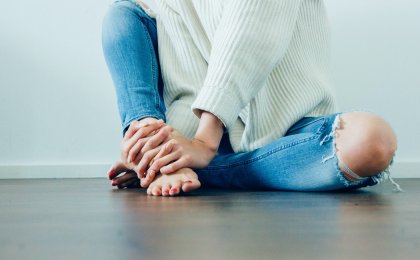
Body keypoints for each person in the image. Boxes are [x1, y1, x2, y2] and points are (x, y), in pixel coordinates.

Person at [101, 0, 399, 196]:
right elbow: (186, 79)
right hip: (194, 135)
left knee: (373, 140)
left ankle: (203, 171)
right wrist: (161, 146)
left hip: (290, 133)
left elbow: (247, 37)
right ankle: (149, 151)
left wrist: (204, 143)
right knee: (123, 14)